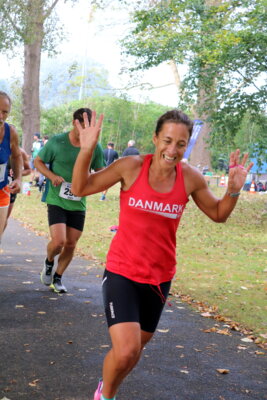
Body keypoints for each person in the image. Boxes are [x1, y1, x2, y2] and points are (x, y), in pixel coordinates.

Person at [71, 109, 253, 400]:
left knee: (131, 355)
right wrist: (87, 148)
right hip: (122, 272)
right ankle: (105, 398)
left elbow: (218, 214)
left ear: (187, 145)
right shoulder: (130, 167)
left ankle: (107, 390)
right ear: (155, 139)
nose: (172, 150)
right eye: (167, 140)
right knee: (127, 349)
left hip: (159, 278)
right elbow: (80, 187)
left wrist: (232, 191)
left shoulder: (191, 178)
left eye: (180, 144)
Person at [34, 108, 105, 293]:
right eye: (84, 125)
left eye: (91, 126)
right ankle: (49, 262)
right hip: (57, 198)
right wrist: (51, 175)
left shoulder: (94, 147)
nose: (87, 130)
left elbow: (100, 171)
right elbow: (38, 161)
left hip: (78, 201)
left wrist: (93, 182)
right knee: (59, 242)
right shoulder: (57, 141)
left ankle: (57, 278)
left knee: (71, 244)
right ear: (75, 123)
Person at [0, 91, 22, 243]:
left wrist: (19, 178)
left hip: (1, 190)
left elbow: (16, 156)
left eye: (4, 112)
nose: (1, 116)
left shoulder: (10, 132)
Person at [5, 147, 31, 227]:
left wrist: (18, 172)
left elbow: (28, 170)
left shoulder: (20, 152)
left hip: (10, 189)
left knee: (4, 218)